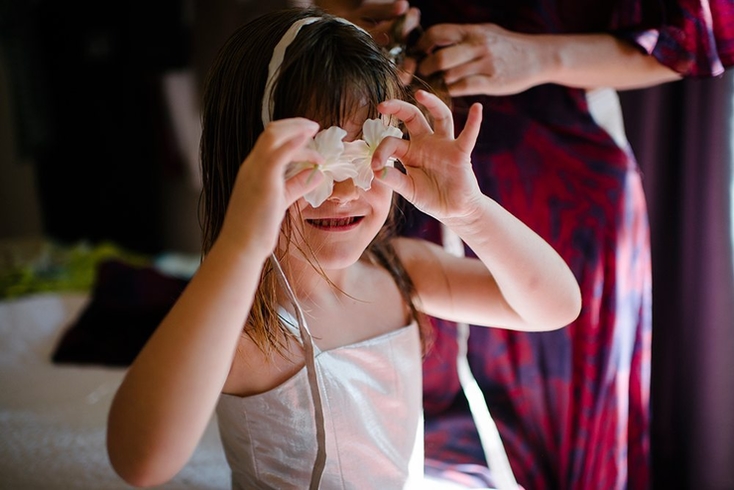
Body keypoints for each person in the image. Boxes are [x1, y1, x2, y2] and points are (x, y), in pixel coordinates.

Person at [105, 7, 581, 490]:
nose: (343, 192)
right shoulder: (245, 321)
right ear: (244, 164)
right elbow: (141, 463)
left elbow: (557, 306)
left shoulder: (403, 273)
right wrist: (241, 246)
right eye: (315, 162)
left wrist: (469, 212)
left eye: (362, 154)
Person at [309, 1, 734, 489]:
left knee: (565, 440)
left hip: (559, 193)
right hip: (400, 176)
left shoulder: (406, 267)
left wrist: (538, 56)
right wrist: (351, 27)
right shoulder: (363, 232)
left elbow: (696, 38)